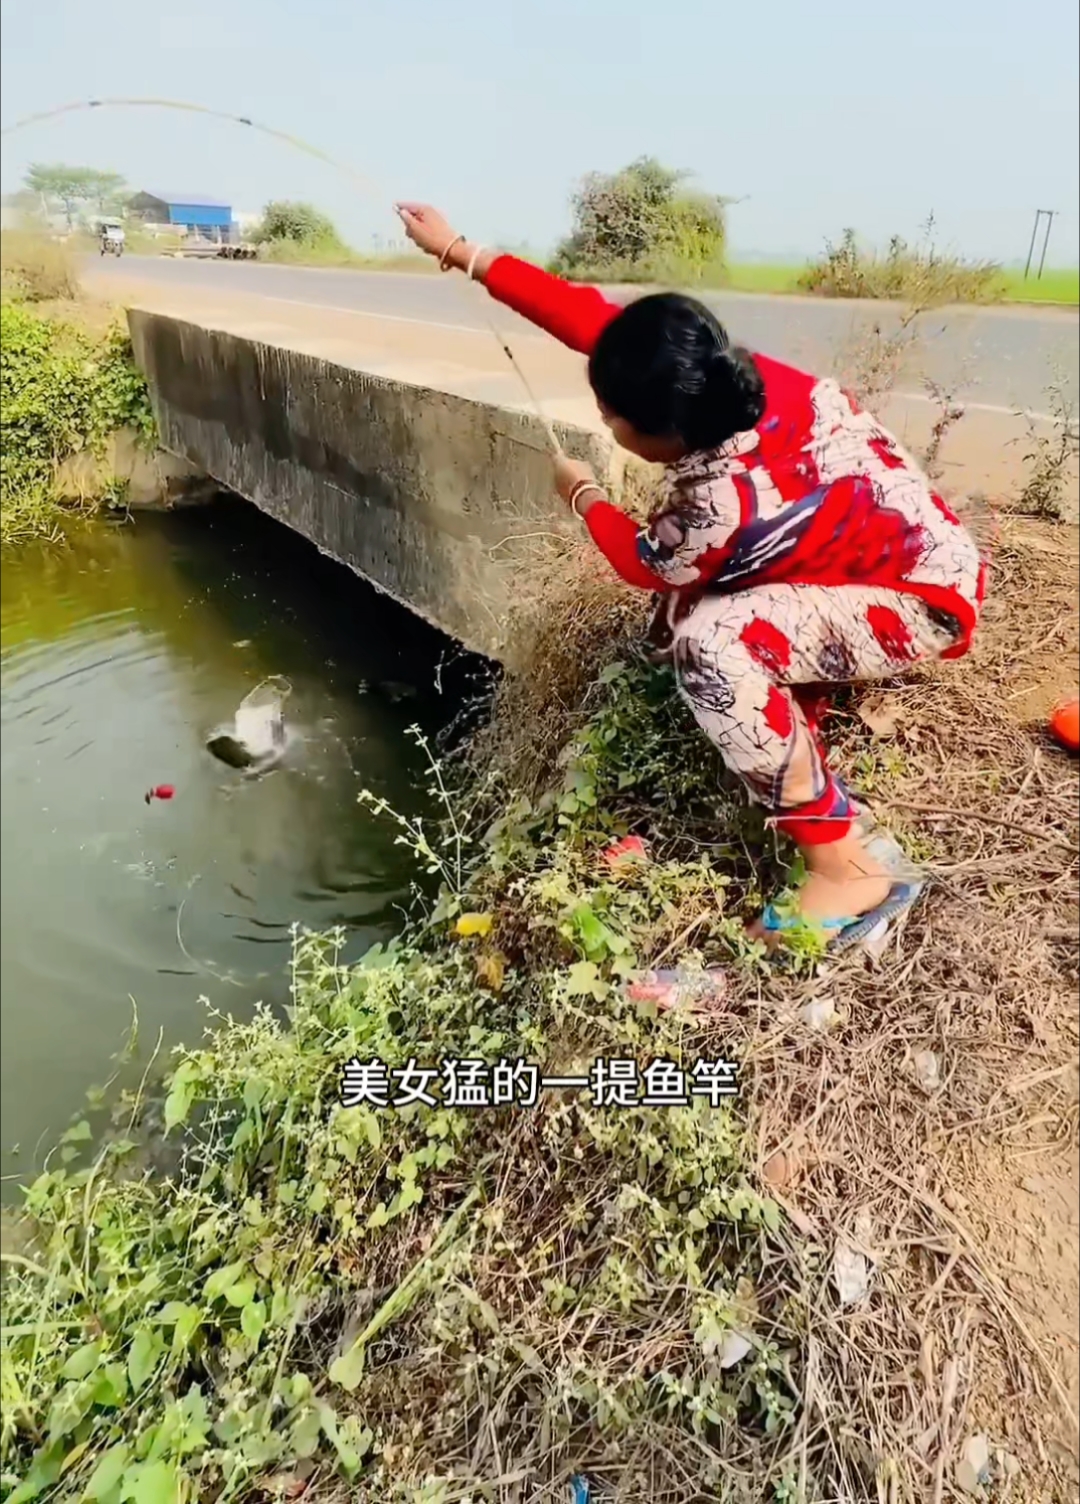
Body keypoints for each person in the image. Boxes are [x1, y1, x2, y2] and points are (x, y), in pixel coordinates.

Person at [397, 204, 986, 1006]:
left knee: (706, 641)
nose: (603, 417)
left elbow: (647, 564)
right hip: (898, 552)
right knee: (686, 623)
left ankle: (844, 868)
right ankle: (800, 729)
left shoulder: (714, 501)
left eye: (614, 417)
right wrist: (461, 252)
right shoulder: (735, 379)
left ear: (667, 435)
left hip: (917, 601)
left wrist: (585, 497)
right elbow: (596, 324)